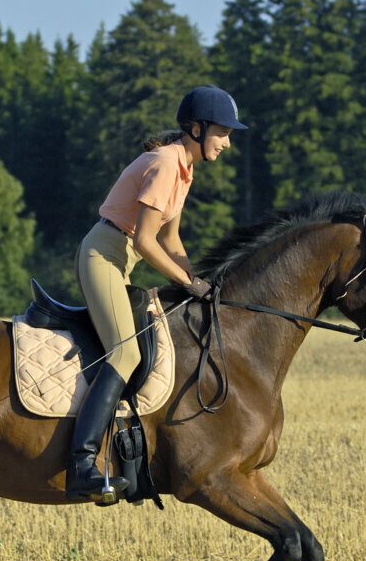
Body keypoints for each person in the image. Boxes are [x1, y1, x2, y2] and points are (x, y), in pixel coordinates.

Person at [66, 85, 248, 502]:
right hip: (103, 255)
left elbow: (172, 238)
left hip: (120, 258)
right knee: (125, 353)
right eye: (223, 132)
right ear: (197, 129)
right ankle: (81, 463)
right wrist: (187, 283)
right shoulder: (167, 164)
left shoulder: (184, 169)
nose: (227, 142)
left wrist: (199, 280)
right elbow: (147, 242)